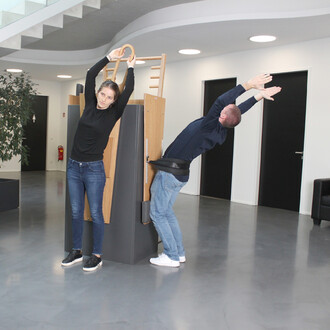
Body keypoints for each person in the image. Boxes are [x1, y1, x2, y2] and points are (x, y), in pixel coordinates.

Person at [149, 74, 282, 267]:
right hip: (180, 174)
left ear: (221, 116)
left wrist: (248, 85)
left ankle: (170, 255)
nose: (221, 108)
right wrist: (257, 97)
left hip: (169, 175)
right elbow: (237, 110)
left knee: (158, 214)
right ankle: (178, 253)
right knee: (167, 212)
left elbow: (222, 101)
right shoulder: (221, 129)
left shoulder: (209, 125)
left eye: (223, 110)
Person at [62, 48, 136, 271]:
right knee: (76, 211)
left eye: (109, 97)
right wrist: (109, 58)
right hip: (74, 166)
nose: (104, 99)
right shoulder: (90, 105)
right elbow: (89, 76)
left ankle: (96, 255)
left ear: (114, 101)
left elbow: (129, 88)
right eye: (102, 94)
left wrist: (130, 67)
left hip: (94, 169)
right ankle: (76, 251)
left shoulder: (113, 114)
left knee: (95, 213)